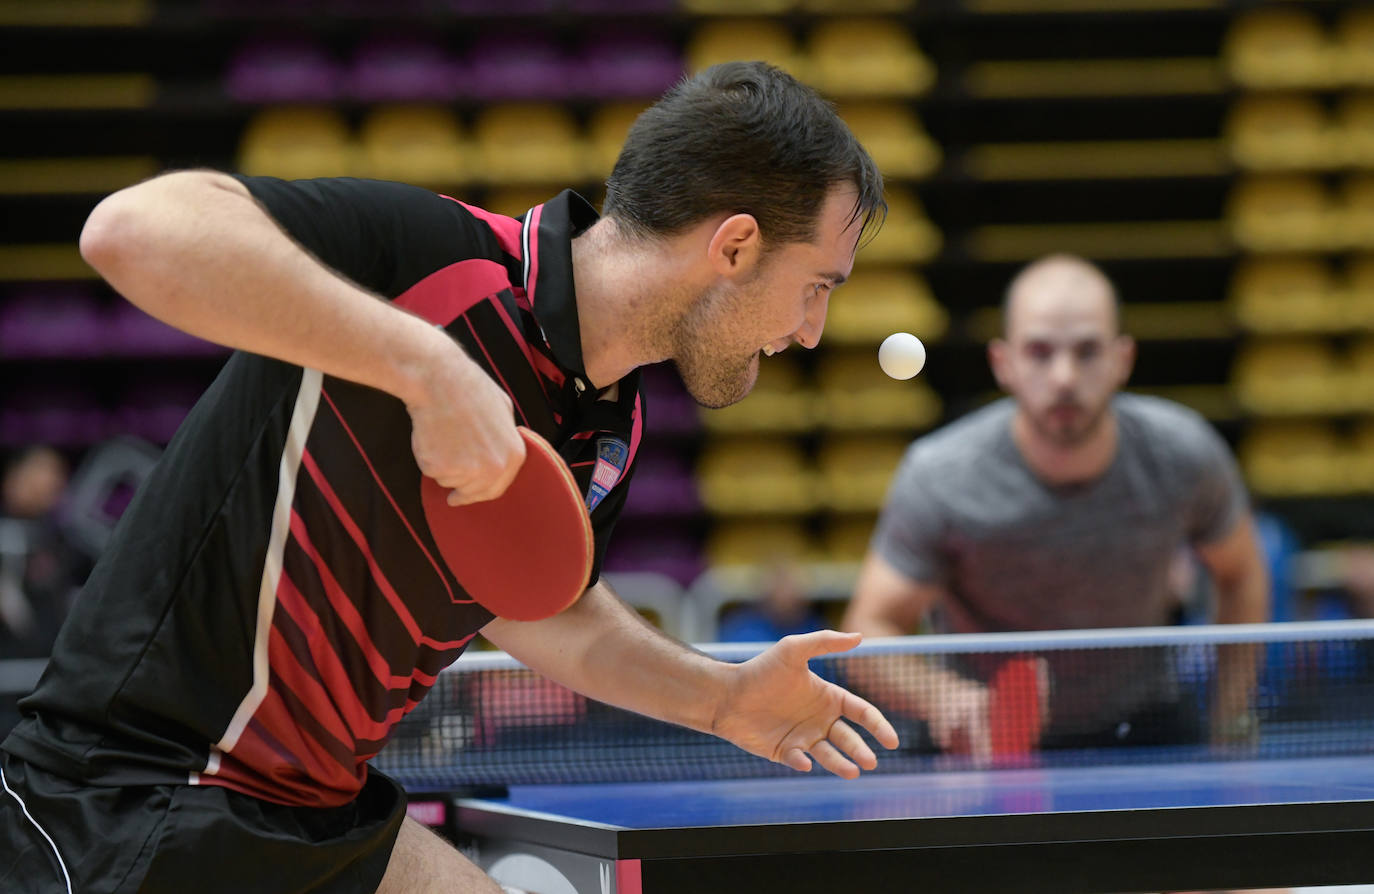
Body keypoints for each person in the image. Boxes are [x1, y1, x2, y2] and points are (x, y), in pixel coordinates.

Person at [0, 62, 899, 894]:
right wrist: (424, 367)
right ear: (736, 246)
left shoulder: (610, 425)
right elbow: (129, 231)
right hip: (137, 790)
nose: (812, 330)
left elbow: (543, 606)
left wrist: (724, 698)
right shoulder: (437, 258)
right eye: (817, 284)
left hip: (319, 805)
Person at [842, 254, 1270, 759]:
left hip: (1147, 730)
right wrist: (944, 698)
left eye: (1087, 351)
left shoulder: (1184, 455)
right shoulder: (941, 476)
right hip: (982, 743)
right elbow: (868, 632)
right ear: (1004, 363)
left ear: (1122, 360)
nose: (1064, 376)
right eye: (1040, 352)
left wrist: (1232, 715)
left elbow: (1240, 574)